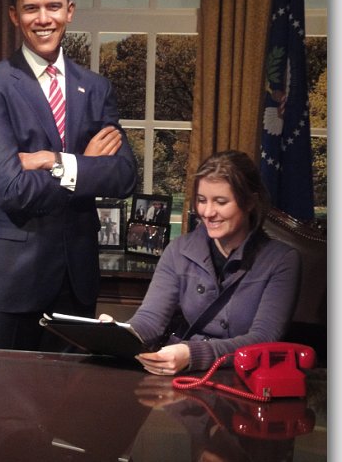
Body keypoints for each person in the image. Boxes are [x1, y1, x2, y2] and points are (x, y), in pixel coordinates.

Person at [0, 0, 138, 351]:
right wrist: (86, 162)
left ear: (69, 11)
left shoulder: (96, 88)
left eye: (53, 7)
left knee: (71, 392)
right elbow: (12, 189)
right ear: (15, 15)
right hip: (12, 283)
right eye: (31, 8)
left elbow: (124, 175)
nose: (43, 19)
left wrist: (53, 160)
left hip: (76, 282)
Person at [101, 150, 301, 374]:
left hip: (242, 377)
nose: (207, 212)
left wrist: (193, 353)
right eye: (202, 200)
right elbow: (150, 320)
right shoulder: (178, 250)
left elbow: (264, 338)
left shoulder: (281, 260)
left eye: (221, 202)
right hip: (181, 375)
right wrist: (120, 334)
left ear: (250, 202)